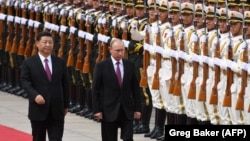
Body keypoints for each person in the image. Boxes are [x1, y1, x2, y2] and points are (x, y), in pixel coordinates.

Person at [20, 31, 70, 141]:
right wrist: (35, 95)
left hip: (57, 110)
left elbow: (65, 84)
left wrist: (66, 105)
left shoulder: (59, 62)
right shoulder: (29, 63)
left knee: (56, 138)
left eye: (50, 42)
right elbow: (25, 82)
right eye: (45, 42)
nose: (48, 45)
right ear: (37, 44)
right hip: (39, 110)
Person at [92, 38, 141, 141]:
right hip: (108, 110)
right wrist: (97, 110)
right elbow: (95, 90)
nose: (120, 53)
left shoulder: (130, 65)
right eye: (117, 50)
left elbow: (135, 89)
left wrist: (137, 109)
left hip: (126, 110)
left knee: (128, 138)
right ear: (110, 49)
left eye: (122, 50)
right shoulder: (101, 66)